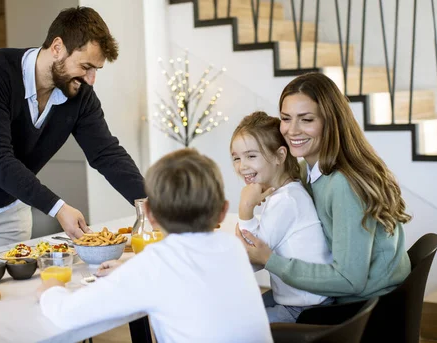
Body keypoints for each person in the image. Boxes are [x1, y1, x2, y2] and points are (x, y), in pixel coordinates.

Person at [0, 7, 145, 251]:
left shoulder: (81, 96)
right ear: (57, 47)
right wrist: (58, 208)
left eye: (96, 70)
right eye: (85, 66)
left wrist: (148, 205)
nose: (91, 79)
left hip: (10, 205)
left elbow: (106, 153)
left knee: (16, 285)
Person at [38, 149, 273, 343]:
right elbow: (186, 275)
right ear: (223, 211)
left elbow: (67, 314)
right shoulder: (232, 247)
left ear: (149, 215)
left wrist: (52, 287)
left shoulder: (154, 266)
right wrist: (130, 270)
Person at [237, 72, 412, 304]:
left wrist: (271, 260)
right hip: (338, 297)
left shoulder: (343, 185)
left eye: (306, 119)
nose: (292, 130)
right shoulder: (305, 172)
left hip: (363, 309)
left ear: (330, 122)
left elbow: (350, 280)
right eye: (286, 118)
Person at [230, 111, 332, 323]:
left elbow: (253, 258)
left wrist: (245, 208)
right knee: (237, 311)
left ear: (279, 156)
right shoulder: (286, 194)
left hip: (305, 311)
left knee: (231, 328)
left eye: (251, 156)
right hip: (299, 302)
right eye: (236, 158)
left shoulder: (286, 201)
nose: (242, 166)